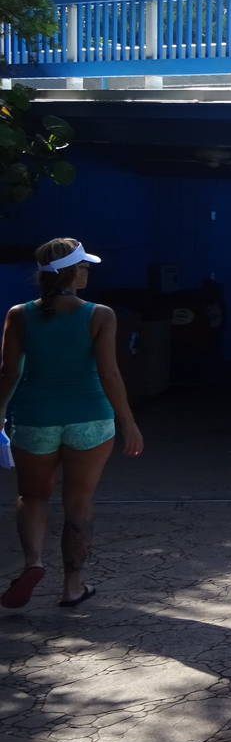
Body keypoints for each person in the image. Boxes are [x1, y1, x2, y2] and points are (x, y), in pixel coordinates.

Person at [1, 238, 144, 611]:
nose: (87, 271)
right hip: (90, 419)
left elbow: (8, 372)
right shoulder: (100, 314)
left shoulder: (19, 314)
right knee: (78, 501)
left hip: (35, 419)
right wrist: (128, 421)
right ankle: (73, 587)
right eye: (83, 266)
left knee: (32, 496)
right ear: (69, 271)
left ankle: (33, 563)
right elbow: (109, 373)